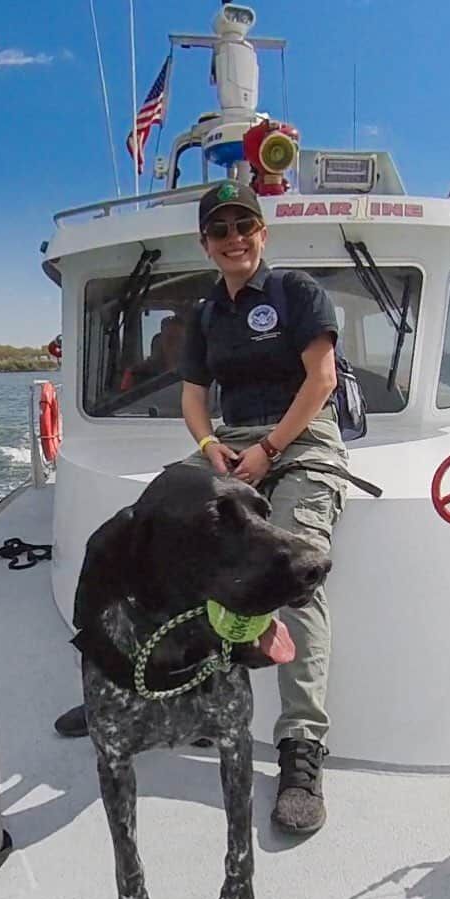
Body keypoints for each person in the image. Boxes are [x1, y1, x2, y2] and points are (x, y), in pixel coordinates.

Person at [53, 178, 348, 836]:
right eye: (220, 230)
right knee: (149, 527)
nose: (234, 238)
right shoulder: (208, 312)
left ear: (261, 233)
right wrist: (211, 446)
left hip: (300, 439)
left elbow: (321, 380)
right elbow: (194, 399)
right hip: (232, 444)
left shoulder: (296, 292)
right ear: (206, 243)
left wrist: (270, 449)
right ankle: (117, 685)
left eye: (245, 225)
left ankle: (301, 747)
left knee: (298, 562)